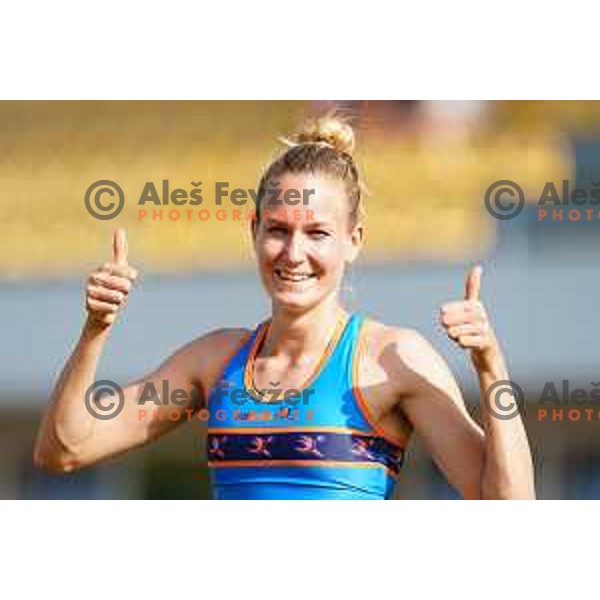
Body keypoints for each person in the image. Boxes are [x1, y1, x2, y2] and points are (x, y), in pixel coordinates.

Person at [34, 116, 535, 500]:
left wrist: (491, 367)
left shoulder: (393, 358)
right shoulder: (214, 362)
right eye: (278, 229)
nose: (294, 253)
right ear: (254, 232)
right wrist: (96, 329)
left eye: (317, 232)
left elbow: (508, 506)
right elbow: (64, 449)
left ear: (353, 240)